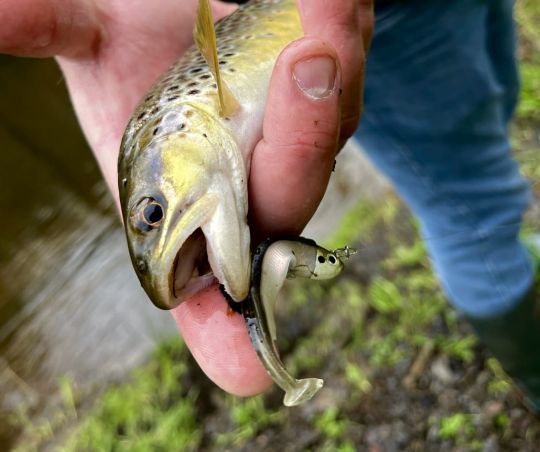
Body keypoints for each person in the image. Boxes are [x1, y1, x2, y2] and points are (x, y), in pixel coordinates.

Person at [1, 0, 538, 411]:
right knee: (475, 210)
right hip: (385, 29)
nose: (159, 223)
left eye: (153, 214)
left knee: (496, 97)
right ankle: (528, 351)